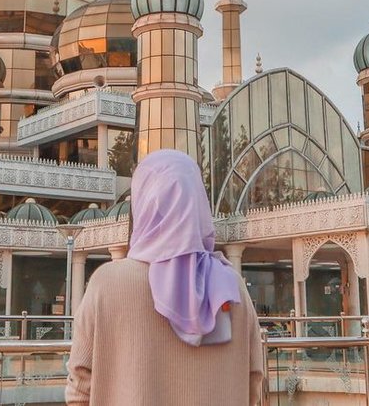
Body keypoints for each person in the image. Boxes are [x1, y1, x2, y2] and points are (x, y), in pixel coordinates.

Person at [66, 149, 264, 405]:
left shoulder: (107, 284)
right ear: (198, 202)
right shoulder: (230, 286)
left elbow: (80, 383)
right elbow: (254, 379)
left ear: (142, 202)